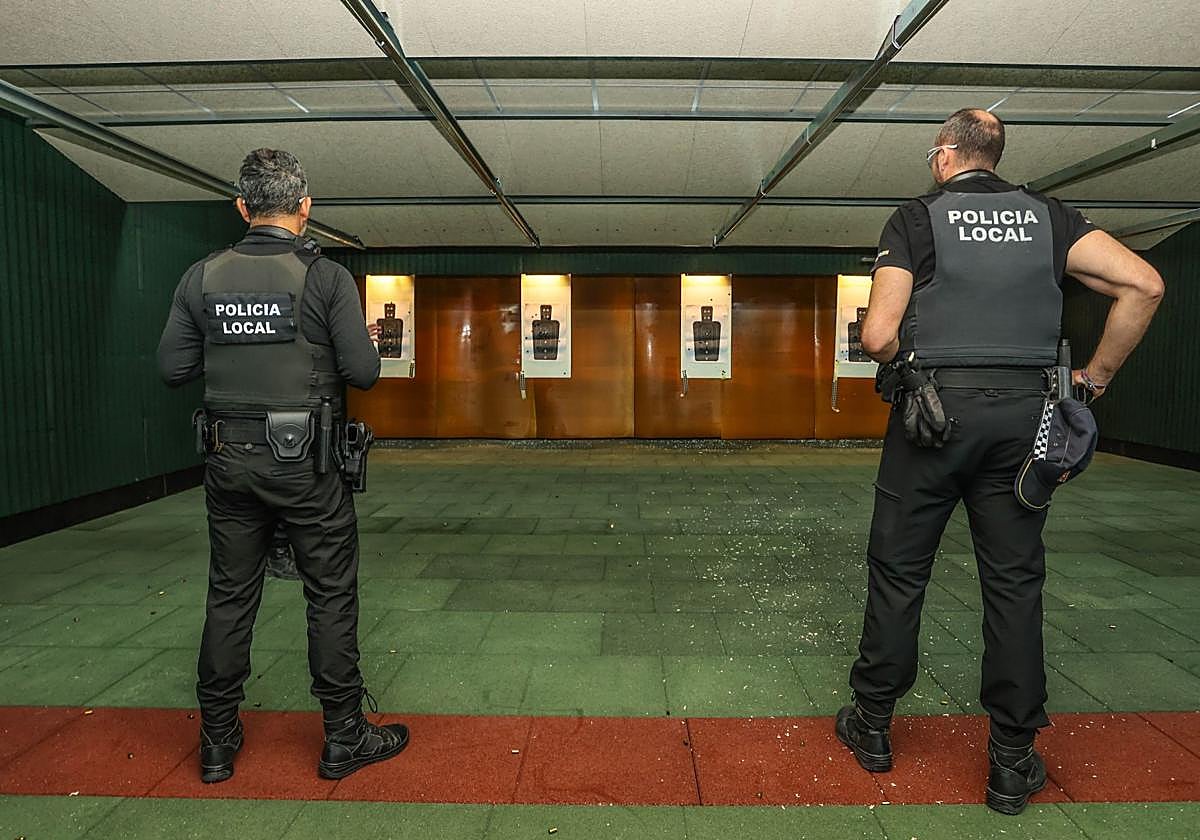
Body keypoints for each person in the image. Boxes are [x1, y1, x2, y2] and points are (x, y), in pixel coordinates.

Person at [835, 109, 1163, 815]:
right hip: (1024, 421)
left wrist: (913, 372)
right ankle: (1012, 762)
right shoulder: (1050, 219)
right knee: (1013, 585)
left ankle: (872, 727)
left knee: (898, 571)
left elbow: (879, 333)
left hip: (933, 420)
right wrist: (1094, 379)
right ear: (996, 155)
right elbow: (1145, 285)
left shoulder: (916, 220)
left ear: (944, 157)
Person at [157, 148, 408, 783]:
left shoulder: (201, 277)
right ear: (305, 206)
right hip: (308, 468)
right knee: (329, 594)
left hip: (228, 465)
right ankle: (343, 737)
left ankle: (216, 742)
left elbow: (173, 369)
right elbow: (364, 373)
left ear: (242, 207)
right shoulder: (326, 279)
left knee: (229, 595)